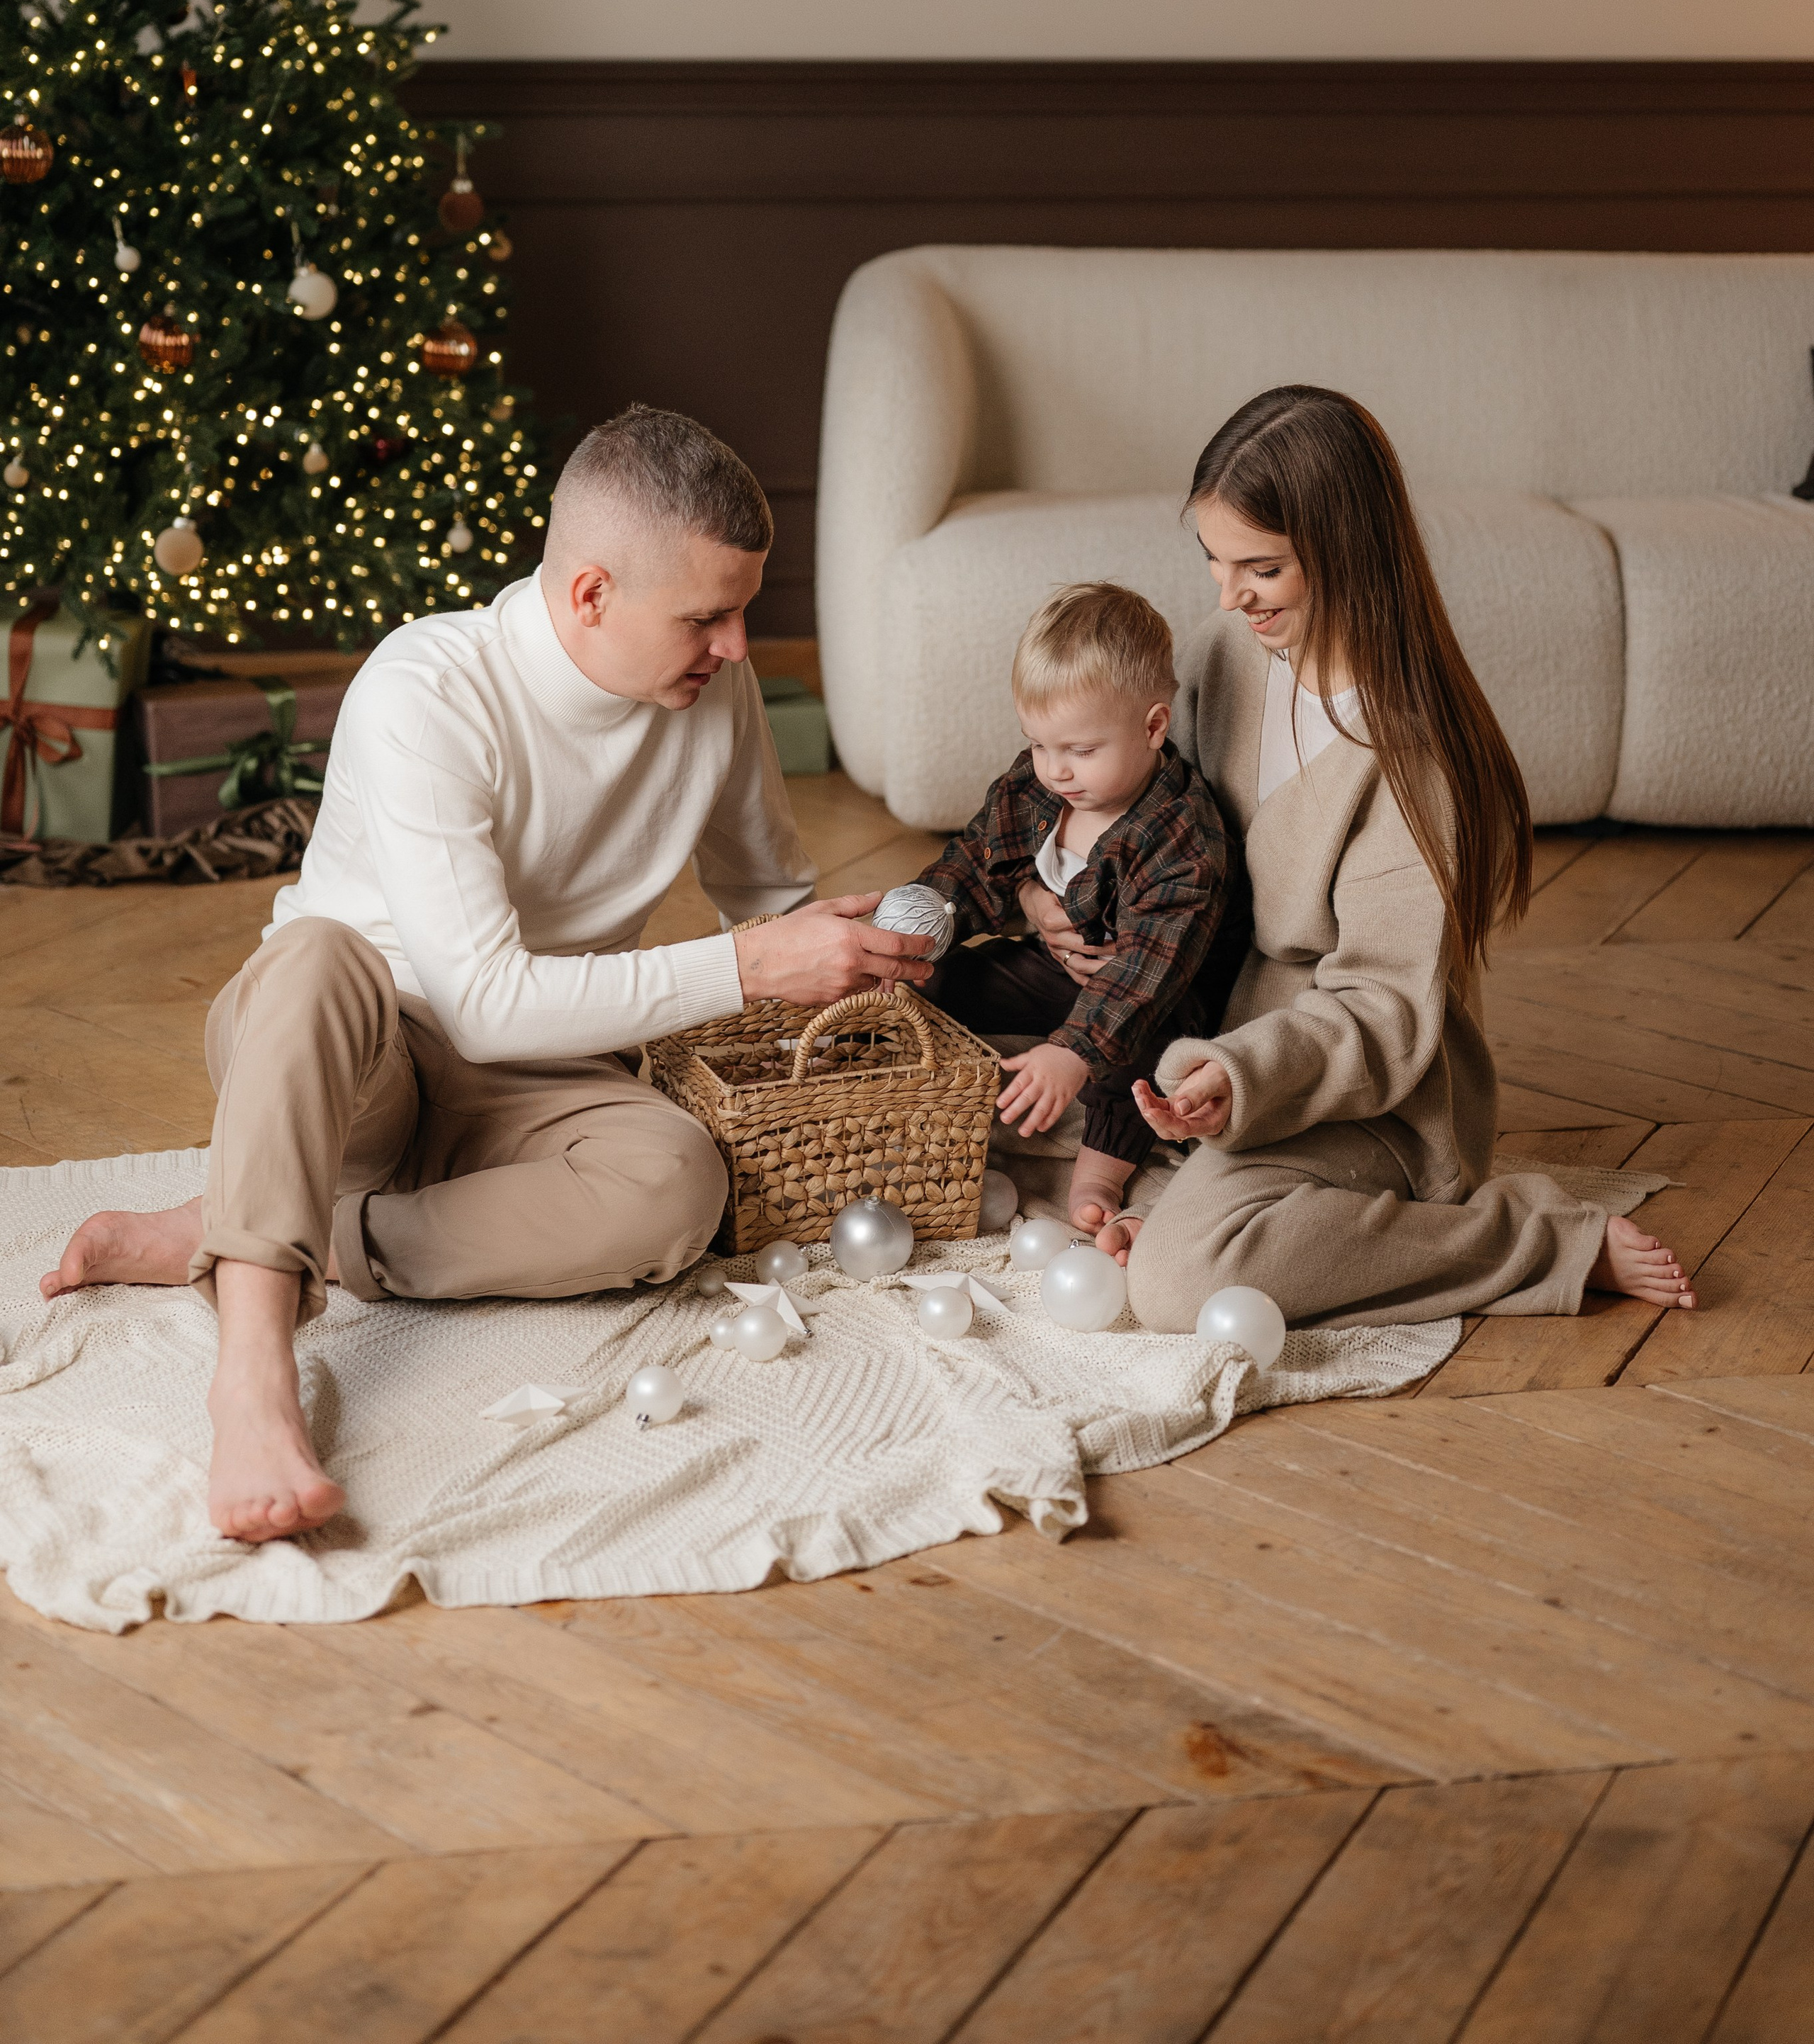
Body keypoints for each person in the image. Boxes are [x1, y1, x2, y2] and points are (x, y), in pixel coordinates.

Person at [40, 405, 935, 1543]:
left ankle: (245, 1220)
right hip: (351, 1058)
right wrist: (754, 965)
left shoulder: (716, 692)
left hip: (541, 1074)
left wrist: (854, 977)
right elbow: (484, 1001)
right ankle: (255, 1377)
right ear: (591, 593)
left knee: (676, 1183)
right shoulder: (428, 688)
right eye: (707, 617)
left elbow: (764, 897)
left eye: (745, 611)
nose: (738, 648)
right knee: (320, 956)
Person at [1022, 385, 1696, 1326]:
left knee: (1182, 1282)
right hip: (1204, 1051)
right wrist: (1048, 895)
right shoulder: (1226, 652)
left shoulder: (1413, 762)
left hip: (1360, 1089)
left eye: (1260, 567)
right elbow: (1147, 816)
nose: (1226, 595)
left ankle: (1534, 1241)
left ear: (1343, 555)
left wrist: (1242, 1076)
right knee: (1009, 1108)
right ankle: (1211, 1201)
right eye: (1214, 561)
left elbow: (1382, 1010)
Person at [916, 581, 1244, 1237]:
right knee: (947, 978)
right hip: (1052, 969)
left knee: (1141, 1056)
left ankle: (1101, 1170)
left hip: (1150, 996)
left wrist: (1074, 1051)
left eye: (1080, 751)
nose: (1055, 770)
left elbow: (1146, 971)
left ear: (1154, 727)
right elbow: (979, 862)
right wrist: (920, 925)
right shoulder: (1037, 786)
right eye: (1039, 744)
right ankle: (906, 1083)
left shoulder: (1182, 840)